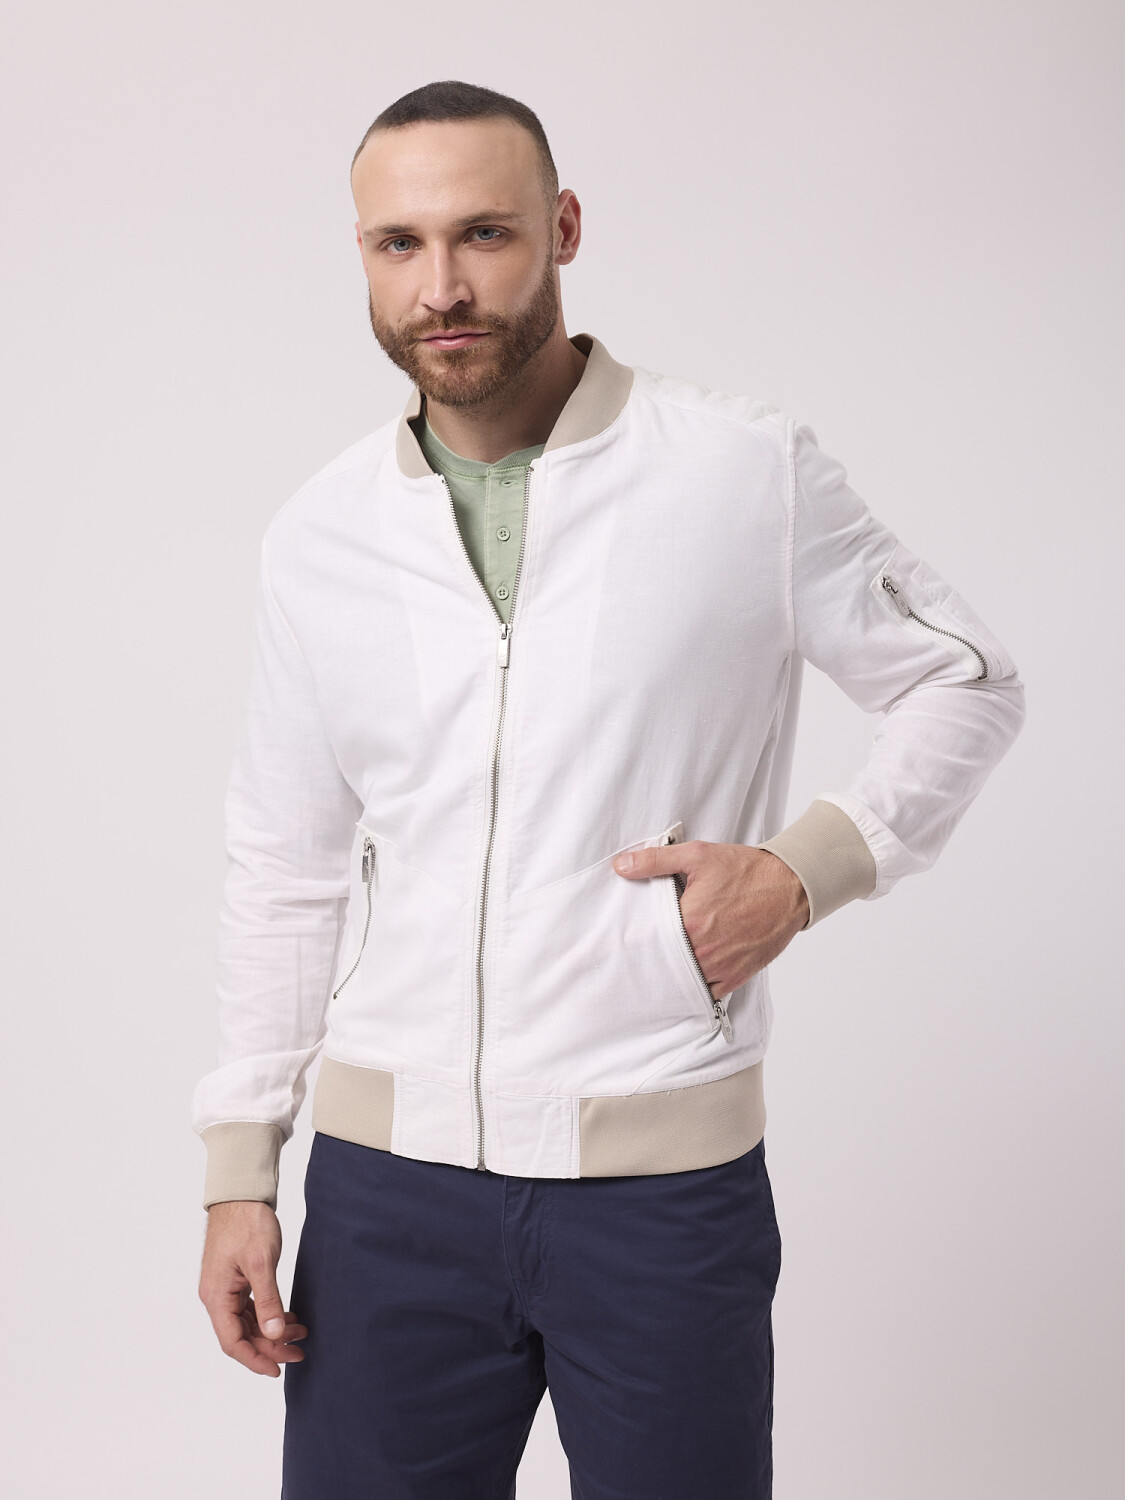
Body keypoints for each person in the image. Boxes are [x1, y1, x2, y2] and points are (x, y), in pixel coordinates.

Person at [193, 80, 1026, 1499]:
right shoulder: (320, 534)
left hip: (660, 1191)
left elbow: (964, 679)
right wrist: (239, 1166)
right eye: (398, 244)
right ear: (363, 256)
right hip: (386, 1198)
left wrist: (804, 871)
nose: (442, 288)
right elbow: (285, 861)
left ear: (563, 229)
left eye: (484, 234)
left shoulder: (740, 473)